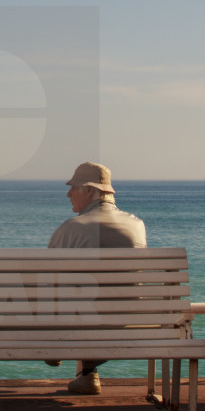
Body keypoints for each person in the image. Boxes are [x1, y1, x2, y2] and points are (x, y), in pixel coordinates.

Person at [47, 161, 146, 395]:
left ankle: (54, 348)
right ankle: (88, 374)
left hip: (81, 324)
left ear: (90, 191)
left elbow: (46, 278)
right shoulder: (137, 225)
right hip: (127, 323)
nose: (68, 193)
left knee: (71, 298)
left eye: (74, 187)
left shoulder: (71, 229)